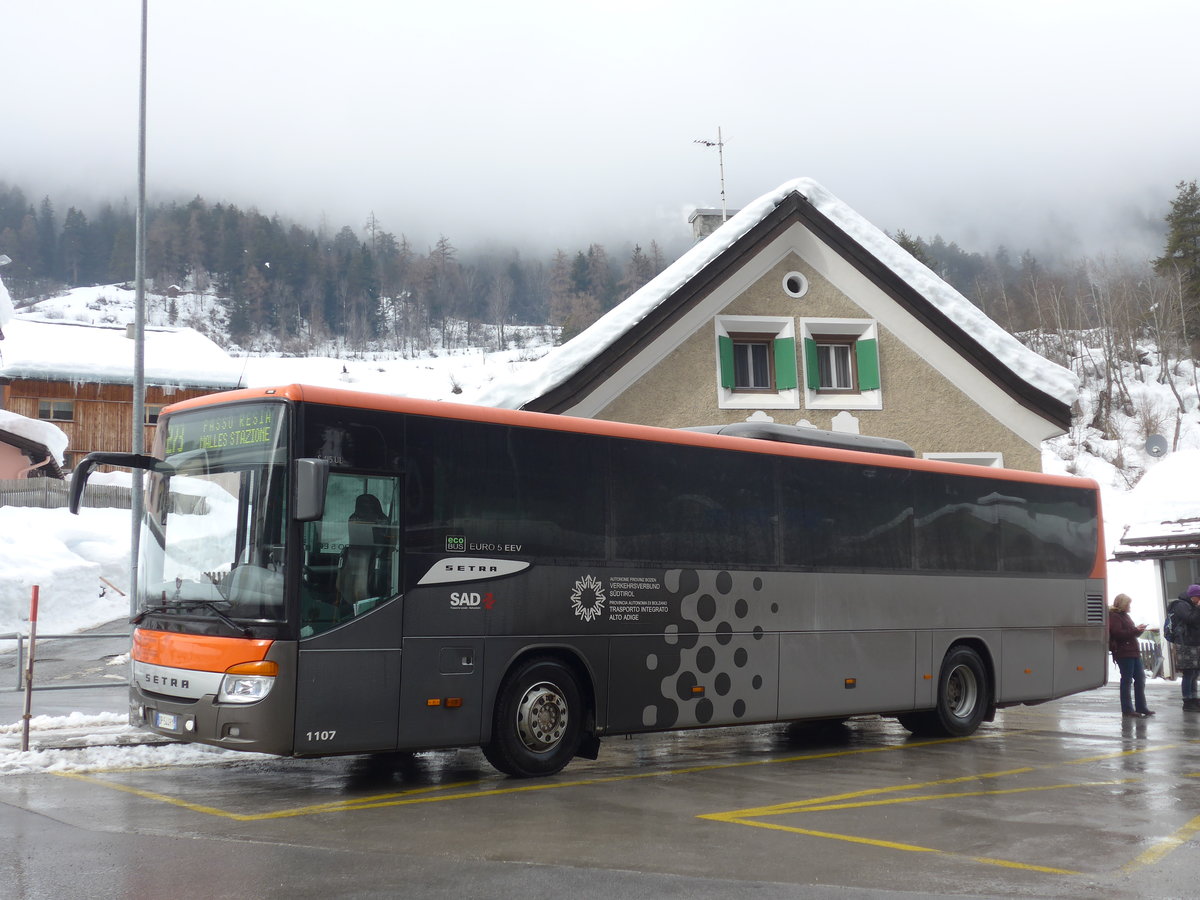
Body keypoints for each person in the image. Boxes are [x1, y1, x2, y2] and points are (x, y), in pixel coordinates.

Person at [1109, 594, 1154, 718]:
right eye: (1128, 604)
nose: (1130, 606)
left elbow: (1130, 633)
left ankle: (1141, 707)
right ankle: (1127, 709)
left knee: (1140, 679)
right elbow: (1117, 634)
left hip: (1133, 651)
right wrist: (1135, 630)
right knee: (1127, 680)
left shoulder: (1125, 616)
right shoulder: (1114, 616)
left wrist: (1138, 630)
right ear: (1122, 604)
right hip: (1123, 652)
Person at [1167, 584, 1200, 711]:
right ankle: (1187, 701)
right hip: (1185, 643)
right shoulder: (1180, 605)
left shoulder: (1192, 605)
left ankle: (1194, 698)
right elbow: (1190, 619)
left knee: (1195, 672)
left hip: (1194, 642)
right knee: (1189, 673)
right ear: (1193, 596)